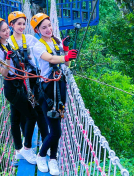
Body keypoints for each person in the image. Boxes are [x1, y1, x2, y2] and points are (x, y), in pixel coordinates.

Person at [31, 13, 78, 175]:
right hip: (47, 89)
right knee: (56, 131)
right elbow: (50, 59)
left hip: (60, 85)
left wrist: (66, 52)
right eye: (44, 27)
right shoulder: (38, 46)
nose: (48, 29)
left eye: (49, 25)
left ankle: (53, 159)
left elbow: (67, 63)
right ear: (37, 30)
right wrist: (64, 55)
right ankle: (41, 155)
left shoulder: (56, 41)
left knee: (57, 125)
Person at [0, 17, 37, 165]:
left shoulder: (8, 42)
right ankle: (27, 149)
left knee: (15, 119)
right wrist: (7, 59)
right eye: (3, 30)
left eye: (7, 29)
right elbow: (4, 72)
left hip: (19, 83)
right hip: (11, 87)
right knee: (31, 115)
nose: (7, 31)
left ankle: (19, 150)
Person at [7, 11, 49, 149]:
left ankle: (45, 141)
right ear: (11, 25)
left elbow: (43, 44)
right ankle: (22, 147)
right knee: (17, 114)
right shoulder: (7, 42)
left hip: (31, 78)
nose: (22, 26)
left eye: (24, 24)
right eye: (19, 24)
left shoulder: (30, 39)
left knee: (38, 109)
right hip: (16, 81)